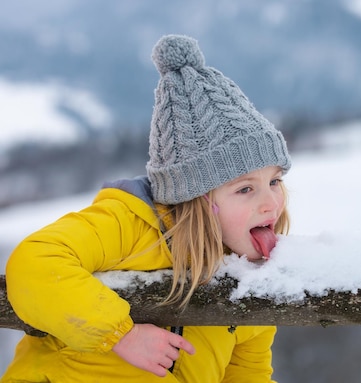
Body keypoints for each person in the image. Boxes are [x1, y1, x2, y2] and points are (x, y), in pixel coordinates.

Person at [1, 34, 291, 382]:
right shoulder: (128, 225)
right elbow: (35, 263)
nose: (270, 202)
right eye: (245, 188)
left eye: (274, 181)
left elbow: (248, 375)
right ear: (194, 198)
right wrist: (121, 335)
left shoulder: (251, 276)